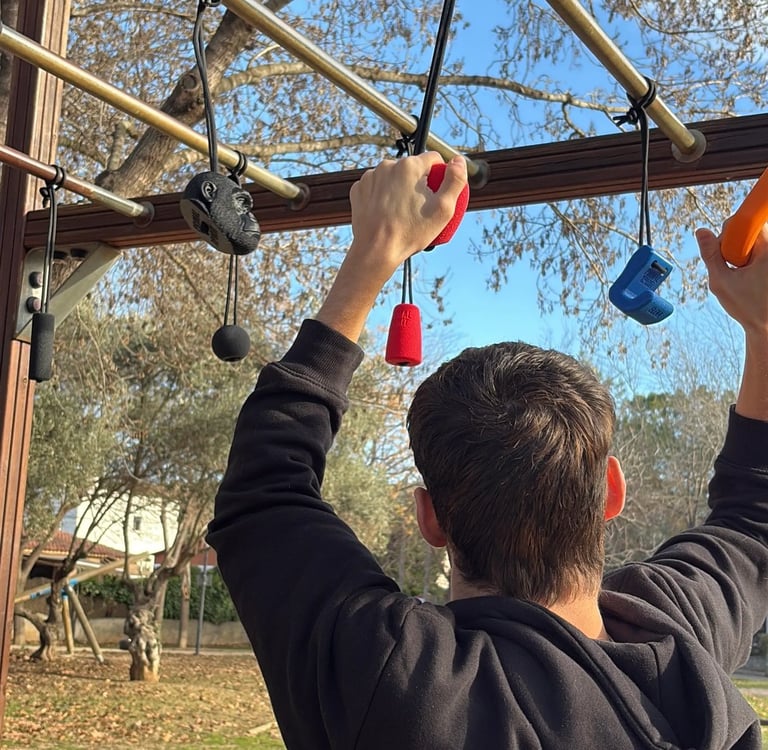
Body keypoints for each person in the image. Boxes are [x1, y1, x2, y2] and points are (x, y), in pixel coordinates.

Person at [206, 151, 768, 749]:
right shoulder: (676, 636)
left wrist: (373, 257)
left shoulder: (402, 682)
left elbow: (263, 496)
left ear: (431, 520)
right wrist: (763, 332)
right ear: (610, 490)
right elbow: (753, 518)